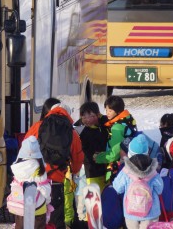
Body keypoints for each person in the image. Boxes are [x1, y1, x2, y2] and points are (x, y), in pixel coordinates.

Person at [25, 98, 84, 229]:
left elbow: (25, 150)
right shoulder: (71, 132)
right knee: (56, 218)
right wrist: (74, 171)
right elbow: (78, 157)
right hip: (56, 182)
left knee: (35, 218)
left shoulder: (38, 126)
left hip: (36, 180)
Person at [111, 135, 164, 229]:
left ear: (130, 153)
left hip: (131, 213)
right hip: (151, 213)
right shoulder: (153, 170)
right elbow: (160, 189)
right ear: (147, 153)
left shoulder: (126, 171)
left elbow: (117, 187)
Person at [74, 101, 110, 224]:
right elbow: (80, 149)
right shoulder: (79, 129)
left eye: (91, 116)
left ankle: (103, 220)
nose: (87, 119)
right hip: (89, 169)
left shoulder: (105, 124)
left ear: (98, 115)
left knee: (104, 194)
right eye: (84, 116)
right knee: (89, 196)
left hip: (105, 167)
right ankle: (86, 220)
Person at [7, 136, 52, 229]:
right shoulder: (40, 168)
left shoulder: (17, 168)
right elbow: (45, 190)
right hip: (38, 209)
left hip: (20, 207)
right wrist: (48, 202)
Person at [94, 95, 138, 181]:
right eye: (106, 110)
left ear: (117, 111)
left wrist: (98, 158)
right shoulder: (128, 120)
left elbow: (114, 154)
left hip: (119, 166)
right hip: (131, 162)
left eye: (110, 111)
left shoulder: (117, 128)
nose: (107, 113)